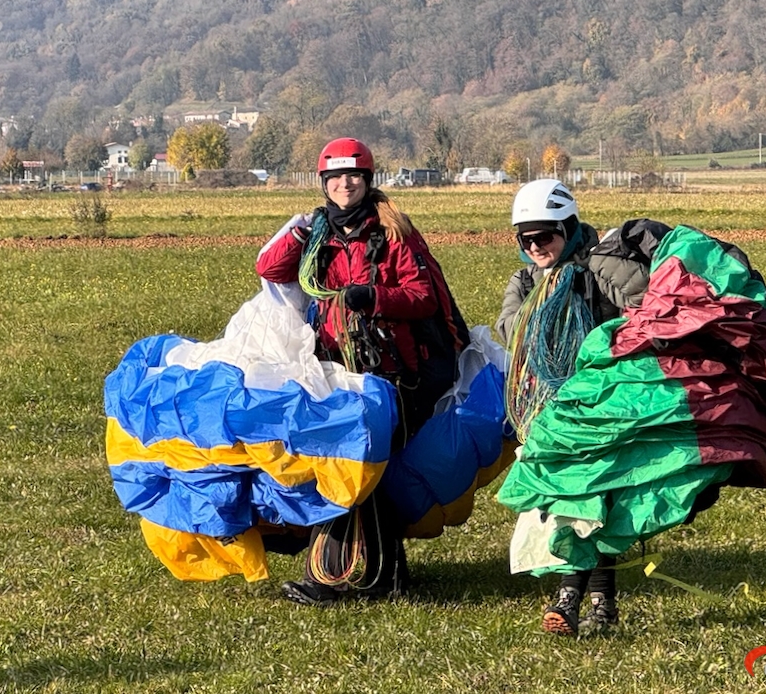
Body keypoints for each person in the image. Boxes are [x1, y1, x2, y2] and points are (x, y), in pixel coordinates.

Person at [255, 137, 469, 607]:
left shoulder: (393, 232)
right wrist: (297, 232)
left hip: (394, 373)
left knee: (360, 467)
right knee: (357, 469)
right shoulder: (320, 233)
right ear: (324, 183)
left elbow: (423, 296)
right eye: (335, 177)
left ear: (368, 181)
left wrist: (371, 297)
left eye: (353, 176)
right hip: (338, 368)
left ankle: (341, 578)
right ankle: (384, 577)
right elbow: (270, 269)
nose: (345, 184)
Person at [495, 179, 620, 637]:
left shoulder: (602, 267)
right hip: (548, 407)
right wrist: (546, 301)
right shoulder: (526, 279)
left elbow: (640, 315)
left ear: (568, 228)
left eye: (544, 237)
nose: (534, 247)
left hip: (601, 400)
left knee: (594, 497)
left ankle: (576, 601)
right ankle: (598, 607)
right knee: (570, 499)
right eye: (525, 240)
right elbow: (512, 329)